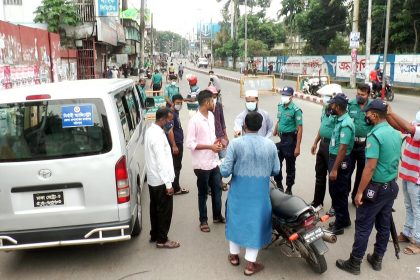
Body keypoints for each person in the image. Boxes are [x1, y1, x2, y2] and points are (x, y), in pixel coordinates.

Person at [336, 99, 401, 274]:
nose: (365, 115)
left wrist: (359, 192)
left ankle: (354, 262)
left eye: (367, 113)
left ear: (373, 115)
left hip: (376, 188)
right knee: (384, 224)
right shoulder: (395, 132)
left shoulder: (375, 135)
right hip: (391, 186)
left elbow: (370, 167)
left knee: (364, 225)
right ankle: (377, 259)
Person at [220, 111, 280, 276]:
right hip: (260, 194)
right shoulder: (270, 145)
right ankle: (250, 266)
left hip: (239, 192)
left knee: (236, 220)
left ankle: (233, 256)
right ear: (261, 126)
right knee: (256, 224)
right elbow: (276, 170)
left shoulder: (236, 144)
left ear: (244, 125)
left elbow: (225, 172)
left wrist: (220, 164)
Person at [186, 90, 225, 233]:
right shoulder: (194, 120)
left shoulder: (211, 116)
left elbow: (213, 136)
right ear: (207, 102)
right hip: (201, 164)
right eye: (212, 100)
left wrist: (218, 144)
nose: (214, 102)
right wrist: (210, 147)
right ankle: (203, 220)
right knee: (203, 193)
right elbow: (190, 143)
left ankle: (217, 215)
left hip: (214, 161)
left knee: (217, 189)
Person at [144, 108, 180, 249]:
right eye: (169, 120)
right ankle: (162, 239)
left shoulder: (150, 131)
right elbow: (161, 162)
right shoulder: (158, 136)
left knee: (154, 208)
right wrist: (168, 184)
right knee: (164, 211)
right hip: (160, 180)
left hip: (153, 180)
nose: (170, 123)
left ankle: (155, 234)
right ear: (162, 119)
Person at [386, 109, 420, 255]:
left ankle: (418, 242)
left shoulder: (415, 128)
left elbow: (408, 128)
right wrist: (386, 114)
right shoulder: (416, 124)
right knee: (408, 205)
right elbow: (397, 126)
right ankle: (407, 233)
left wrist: (391, 112)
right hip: (408, 173)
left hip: (417, 177)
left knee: (417, 209)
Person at [326, 93, 355, 235]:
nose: (330, 106)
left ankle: (339, 225)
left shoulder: (346, 124)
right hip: (335, 158)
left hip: (340, 160)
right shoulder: (338, 119)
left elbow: (343, 148)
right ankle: (344, 219)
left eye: (332, 104)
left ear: (337, 106)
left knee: (338, 192)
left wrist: (334, 169)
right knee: (336, 191)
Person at [310, 89, 338, 208]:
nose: (325, 98)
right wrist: (315, 142)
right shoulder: (324, 109)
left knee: (333, 178)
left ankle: (334, 206)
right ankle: (317, 202)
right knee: (319, 175)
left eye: (327, 96)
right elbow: (322, 127)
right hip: (322, 144)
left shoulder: (338, 112)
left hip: (332, 146)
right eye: (324, 96)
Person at [273, 87, 303, 195]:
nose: (284, 97)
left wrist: (298, 146)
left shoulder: (296, 110)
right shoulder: (280, 106)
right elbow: (279, 120)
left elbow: (300, 129)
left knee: (290, 165)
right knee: (276, 163)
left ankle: (289, 187)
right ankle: (279, 184)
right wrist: (275, 131)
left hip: (290, 139)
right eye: (283, 94)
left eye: (286, 95)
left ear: (291, 96)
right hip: (280, 139)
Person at [348, 84, 373, 205]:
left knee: (361, 173)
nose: (359, 96)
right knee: (346, 172)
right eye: (358, 94)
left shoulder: (373, 107)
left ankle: (356, 196)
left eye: (362, 94)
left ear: (368, 94)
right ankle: (343, 196)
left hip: (365, 146)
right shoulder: (351, 104)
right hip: (351, 144)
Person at [166, 94, 190, 196]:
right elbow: (170, 130)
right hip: (176, 144)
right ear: (173, 102)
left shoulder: (175, 112)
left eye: (181, 103)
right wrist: (174, 145)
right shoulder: (172, 114)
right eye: (178, 103)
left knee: (176, 166)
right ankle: (175, 188)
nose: (179, 104)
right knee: (176, 166)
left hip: (178, 142)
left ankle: (174, 186)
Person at [209, 85, 229, 191]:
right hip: (210, 139)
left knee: (222, 160)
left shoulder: (219, 105)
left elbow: (222, 121)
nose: (214, 97)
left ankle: (219, 181)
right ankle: (210, 185)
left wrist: (225, 136)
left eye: (215, 95)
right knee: (211, 162)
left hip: (220, 136)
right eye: (212, 96)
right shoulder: (205, 108)